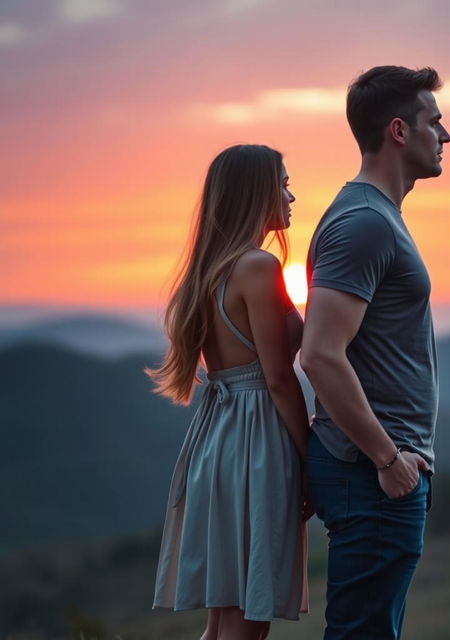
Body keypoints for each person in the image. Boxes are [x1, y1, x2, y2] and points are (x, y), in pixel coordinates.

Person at [300, 66, 450, 639]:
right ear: (398, 131)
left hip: (379, 470)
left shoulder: (376, 217)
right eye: (434, 122)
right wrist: (390, 460)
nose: (446, 136)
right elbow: (319, 355)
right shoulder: (365, 222)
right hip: (372, 471)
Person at [148, 144, 311, 640]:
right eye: (282, 183)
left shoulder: (209, 272)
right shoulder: (258, 268)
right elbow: (279, 378)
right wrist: (310, 460)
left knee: (224, 615)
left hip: (218, 438)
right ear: (255, 192)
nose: (291, 196)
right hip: (257, 439)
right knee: (247, 617)